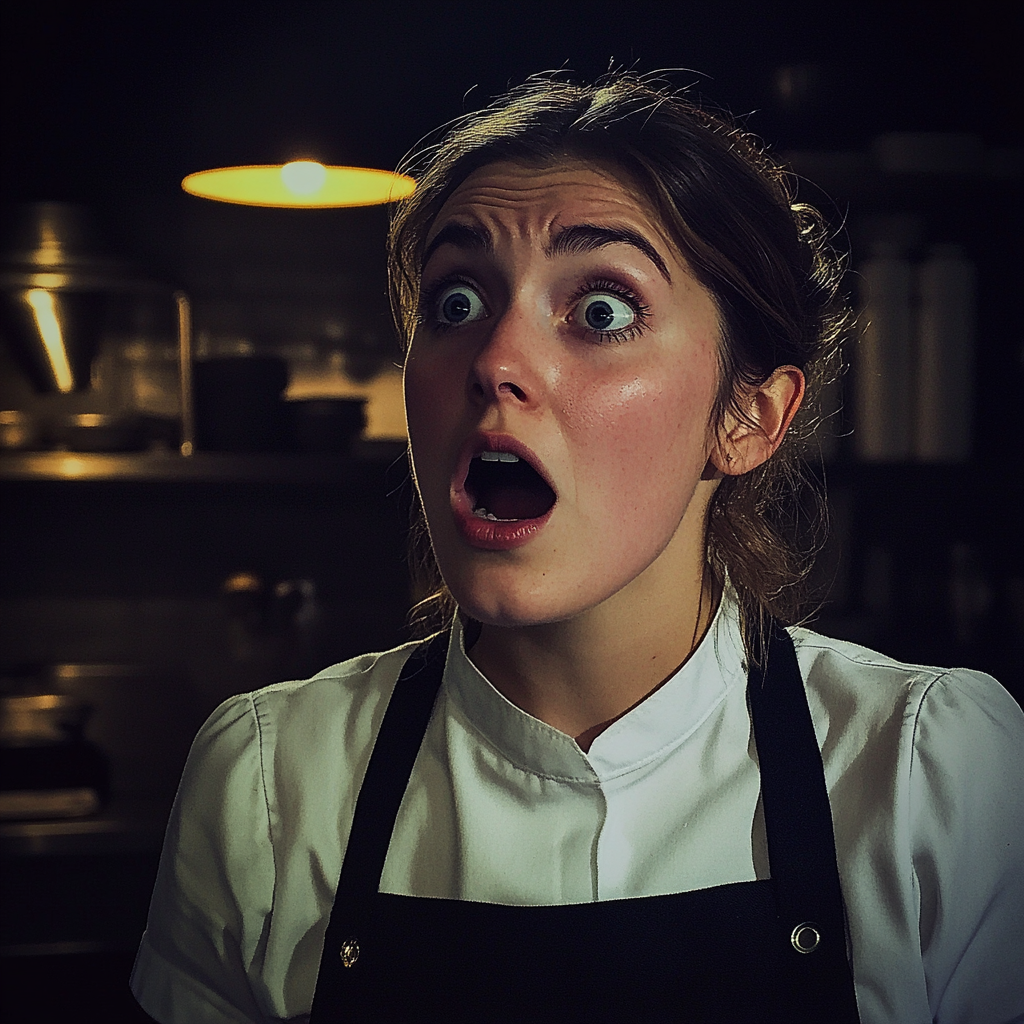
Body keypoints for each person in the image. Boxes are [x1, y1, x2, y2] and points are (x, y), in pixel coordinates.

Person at [131, 73, 1024, 1024]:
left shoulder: (932, 771)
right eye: (457, 302)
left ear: (749, 417)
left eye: (602, 310)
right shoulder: (270, 783)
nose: (495, 362)